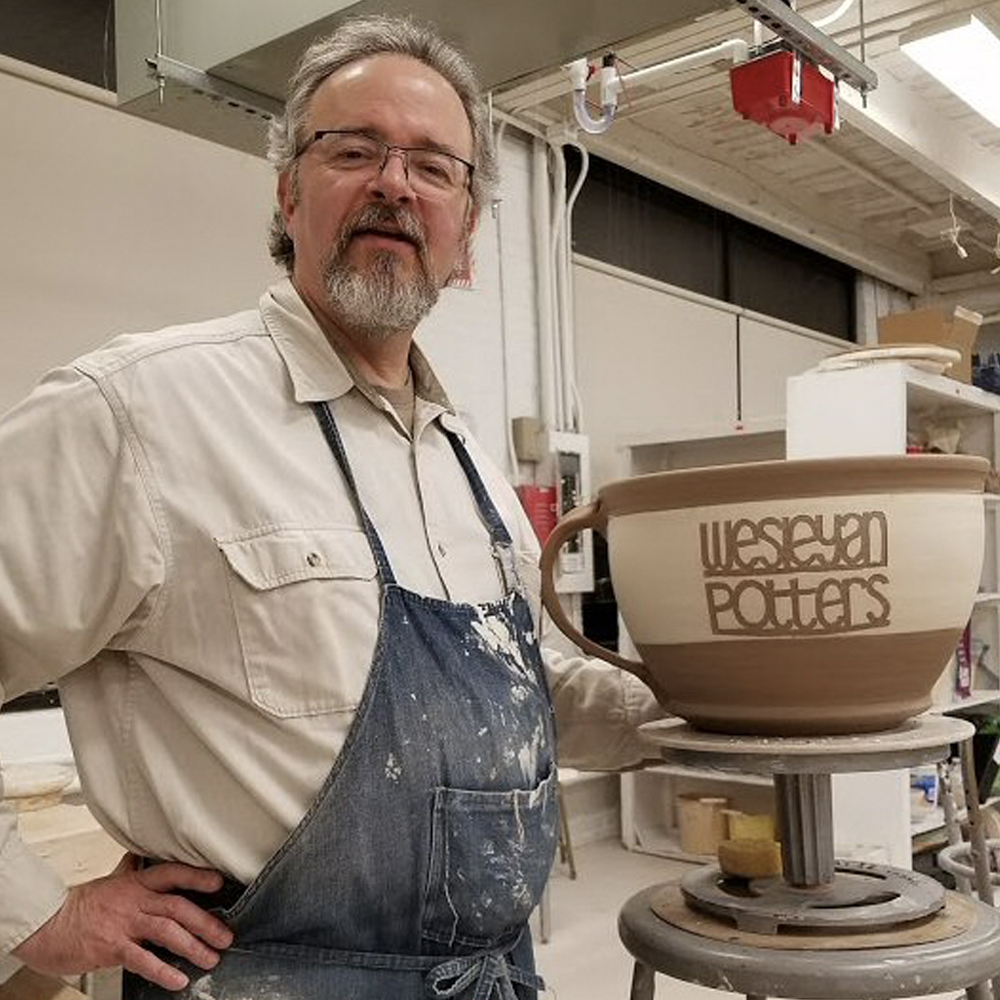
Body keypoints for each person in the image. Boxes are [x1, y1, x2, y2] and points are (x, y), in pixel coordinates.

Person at [0, 15, 659, 999]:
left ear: (466, 234)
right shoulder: (140, 410)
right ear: (287, 193)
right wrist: (33, 915)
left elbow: (529, 696)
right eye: (354, 150)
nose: (395, 182)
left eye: (435, 167)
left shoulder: (468, 466)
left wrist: (721, 704)